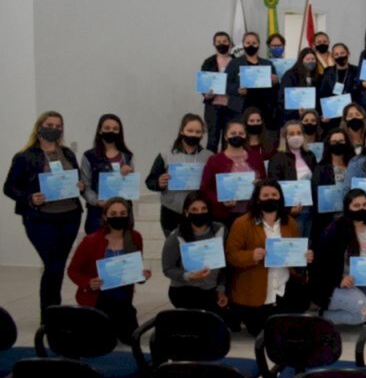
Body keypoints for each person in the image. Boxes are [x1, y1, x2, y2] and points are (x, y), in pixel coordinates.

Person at [4, 111, 84, 317]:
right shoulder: (25, 156)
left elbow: (76, 180)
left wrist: (80, 185)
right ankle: (50, 315)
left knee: (57, 265)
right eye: (50, 125)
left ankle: (52, 312)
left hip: (70, 215)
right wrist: (29, 197)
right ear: (40, 127)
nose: (54, 129)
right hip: (41, 218)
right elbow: (9, 187)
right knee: (53, 265)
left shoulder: (67, 154)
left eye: (59, 126)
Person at [225, 180, 313, 335]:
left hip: (284, 286)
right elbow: (231, 256)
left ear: (280, 197)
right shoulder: (242, 223)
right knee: (261, 332)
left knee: (289, 331)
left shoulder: (290, 223)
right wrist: (250, 255)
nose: (270, 198)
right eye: (265, 195)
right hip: (254, 291)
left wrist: (304, 256)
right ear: (257, 199)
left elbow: (295, 254)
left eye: (274, 194)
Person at [67, 197, 151, 344]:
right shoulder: (91, 241)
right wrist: (88, 282)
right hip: (97, 299)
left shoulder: (135, 237)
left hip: (123, 300)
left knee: (131, 339)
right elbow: (73, 270)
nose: (118, 217)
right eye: (114, 214)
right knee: (100, 342)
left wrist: (141, 275)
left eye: (123, 213)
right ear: (105, 217)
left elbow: (134, 270)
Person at [311, 188, 366, 325]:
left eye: (365, 205)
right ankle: (324, 316)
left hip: (364, 278)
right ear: (347, 207)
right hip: (337, 284)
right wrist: (339, 279)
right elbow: (320, 263)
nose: (361, 209)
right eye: (356, 206)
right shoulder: (336, 229)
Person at [161, 192, 229, 319]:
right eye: (194, 209)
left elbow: (224, 263)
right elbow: (167, 268)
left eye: (204, 209)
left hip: (211, 288)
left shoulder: (220, 230)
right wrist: (190, 276)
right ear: (186, 212)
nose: (199, 213)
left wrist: (221, 289)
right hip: (184, 289)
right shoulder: (176, 236)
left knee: (222, 323)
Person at [145, 113, 213, 237]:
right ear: (182, 131)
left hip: (198, 214)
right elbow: (150, 181)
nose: (193, 134)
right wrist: (158, 183)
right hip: (171, 212)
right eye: (190, 131)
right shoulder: (165, 154)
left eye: (198, 132)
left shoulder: (209, 156)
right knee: (174, 250)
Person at [199, 120, 267, 227]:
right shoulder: (214, 160)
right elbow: (205, 188)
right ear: (226, 136)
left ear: (245, 136)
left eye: (241, 133)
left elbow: (265, 182)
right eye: (233, 133)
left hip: (252, 213)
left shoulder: (256, 158)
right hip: (225, 216)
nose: (237, 136)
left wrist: (260, 185)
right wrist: (220, 201)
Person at [81, 114, 136, 234]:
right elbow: (85, 186)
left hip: (123, 214)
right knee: (97, 250)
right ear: (100, 130)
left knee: (124, 248)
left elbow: (130, 187)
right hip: (98, 214)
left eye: (115, 129)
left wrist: (130, 175)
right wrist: (97, 201)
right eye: (107, 128)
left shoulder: (127, 156)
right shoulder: (89, 156)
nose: (111, 131)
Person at [267, 120, 318, 238]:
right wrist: (287, 209)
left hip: (310, 209)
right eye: (292, 134)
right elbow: (274, 187)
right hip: (291, 212)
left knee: (308, 245)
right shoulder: (277, 158)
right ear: (285, 136)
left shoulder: (310, 155)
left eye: (299, 133)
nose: (296, 136)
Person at [225, 31, 280, 138]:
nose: (251, 45)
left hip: (263, 108)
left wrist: (275, 81)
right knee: (241, 136)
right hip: (241, 108)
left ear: (259, 44)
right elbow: (224, 84)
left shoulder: (267, 64)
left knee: (264, 138)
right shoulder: (235, 63)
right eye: (248, 43)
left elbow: (275, 89)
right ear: (243, 44)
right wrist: (237, 90)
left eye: (254, 43)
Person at [311, 127, 354, 245]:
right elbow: (316, 196)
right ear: (328, 145)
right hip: (329, 221)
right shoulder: (321, 168)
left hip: (353, 218)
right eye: (334, 142)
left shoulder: (354, 165)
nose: (338, 144)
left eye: (341, 141)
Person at [200, 31, 234, 152]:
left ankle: (227, 169)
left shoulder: (236, 61)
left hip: (231, 107)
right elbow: (203, 82)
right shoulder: (208, 62)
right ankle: (212, 168)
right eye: (218, 42)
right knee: (212, 140)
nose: (222, 44)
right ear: (214, 44)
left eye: (224, 41)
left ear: (230, 43)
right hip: (213, 106)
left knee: (230, 139)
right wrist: (206, 94)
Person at [319, 42, 359, 130]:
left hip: (352, 115)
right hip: (332, 116)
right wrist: (324, 113)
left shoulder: (357, 71)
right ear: (333, 58)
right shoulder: (327, 72)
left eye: (342, 53)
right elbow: (323, 94)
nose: (340, 56)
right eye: (336, 54)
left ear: (348, 53)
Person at [279, 47, 322, 123]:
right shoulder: (290, 75)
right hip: (294, 119)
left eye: (313, 59)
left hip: (313, 119)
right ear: (301, 60)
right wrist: (296, 111)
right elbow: (283, 98)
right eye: (307, 59)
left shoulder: (319, 77)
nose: (310, 61)